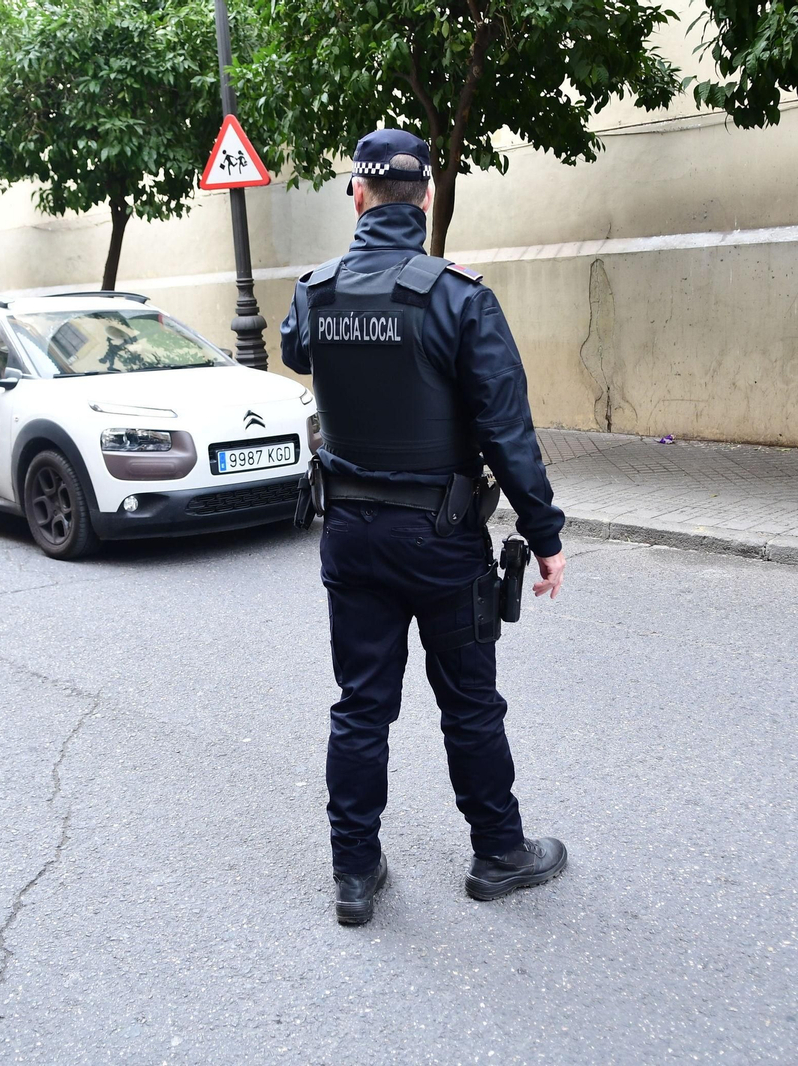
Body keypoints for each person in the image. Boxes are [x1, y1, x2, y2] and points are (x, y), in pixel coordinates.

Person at [280, 128, 569, 926]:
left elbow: (295, 347)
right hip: (442, 540)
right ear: (429, 198)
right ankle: (499, 854)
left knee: (361, 704)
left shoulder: (316, 291)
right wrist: (545, 537)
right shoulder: (459, 297)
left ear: (358, 196)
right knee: (470, 703)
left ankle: (354, 874)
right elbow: (508, 433)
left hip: (350, 535)